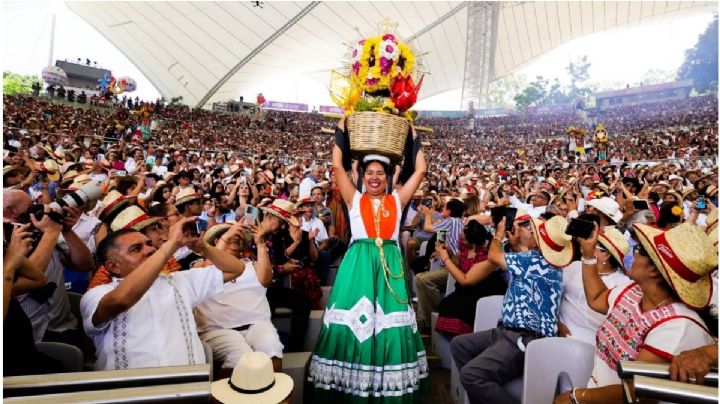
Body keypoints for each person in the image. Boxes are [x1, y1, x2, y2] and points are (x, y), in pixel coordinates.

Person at [307, 117, 429, 401]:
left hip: (389, 263)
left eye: (380, 174)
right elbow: (337, 166)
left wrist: (413, 137)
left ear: (388, 178)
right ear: (362, 176)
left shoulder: (397, 200)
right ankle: (349, 386)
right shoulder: (355, 199)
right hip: (359, 263)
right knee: (355, 320)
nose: (375, 177)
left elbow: (420, 170)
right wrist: (340, 132)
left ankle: (387, 387)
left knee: (390, 323)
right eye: (370, 173)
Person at [555, 222, 716, 404]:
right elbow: (597, 297)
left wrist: (577, 397)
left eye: (639, 249)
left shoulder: (678, 326)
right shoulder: (634, 292)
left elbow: (636, 390)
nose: (633, 253)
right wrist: (588, 255)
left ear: (654, 270)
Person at [80, 217, 246, 370]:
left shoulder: (180, 281)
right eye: (136, 249)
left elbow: (236, 269)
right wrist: (170, 245)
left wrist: (201, 247)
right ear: (114, 267)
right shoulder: (96, 294)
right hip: (129, 395)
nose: (150, 250)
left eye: (149, 244)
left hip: (187, 388)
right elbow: (120, 301)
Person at [451, 215, 572, 404]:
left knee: (470, 375)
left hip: (522, 338)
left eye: (533, 232)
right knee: (460, 344)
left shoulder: (530, 260)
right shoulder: (553, 267)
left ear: (538, 243)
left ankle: (482, 385)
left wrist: (498, 235)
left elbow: (493, 256)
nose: (530, 233)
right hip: (509, 332)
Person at [194, 221, 284, 376]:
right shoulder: (200, 266)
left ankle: (272, 395)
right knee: (241, 357)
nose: (236, 236)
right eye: (228, 234)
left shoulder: (252, 265)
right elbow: (207, 271)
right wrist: (227, 236)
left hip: (255, 325)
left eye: (240, 235)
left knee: (272, 347)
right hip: (219, 331)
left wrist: (260, 243)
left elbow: (266, 280)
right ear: (216, 241)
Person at [434, 219, 507, 338]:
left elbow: (465, 280)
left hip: (483, 291)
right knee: (446, 303)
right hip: (467, 290)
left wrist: (445, 259)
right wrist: (450, 253)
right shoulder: (466, 247)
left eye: (464, 239)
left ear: (473, 242)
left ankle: (463, 341)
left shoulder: (489, 254)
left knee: (460, 309)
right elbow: (460, 263)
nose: (461, 241)